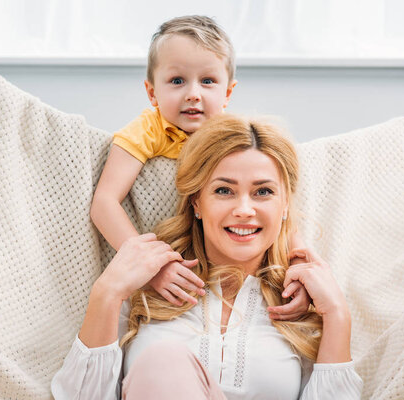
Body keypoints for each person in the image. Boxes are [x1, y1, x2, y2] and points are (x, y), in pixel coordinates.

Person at [53, 114, 363, 399]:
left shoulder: (306, 302)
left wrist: (337, 314)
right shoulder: (142, 289)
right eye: (224, 191)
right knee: (164, 362)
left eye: (263, 192)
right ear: (197, 203)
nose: (244, 209)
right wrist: (107, 292)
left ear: (284, 207)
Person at [90, 16, 309, 318]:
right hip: (174, 255)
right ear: (152, 92)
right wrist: (151, 267)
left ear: (228, 93)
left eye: (207, 81)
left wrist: (300, 261)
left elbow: (280, 204)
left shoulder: (232, 135)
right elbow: (104, 202)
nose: (193, 93)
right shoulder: (147, 130)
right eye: (177, 81)